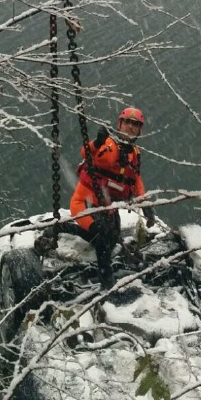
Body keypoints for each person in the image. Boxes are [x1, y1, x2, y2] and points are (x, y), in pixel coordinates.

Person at [35, 107, 154, 288]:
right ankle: (108, 284)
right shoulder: (110, 145)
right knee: (104, 239)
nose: (131, 127)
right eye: (128, 123)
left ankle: (60, 227)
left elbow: (135, 179)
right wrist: (98, 142)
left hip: (107, 208)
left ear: (140, 130)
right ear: (119, 124)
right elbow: (87, 153)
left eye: (135, 124)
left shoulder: (134, 153)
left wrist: (146, 205)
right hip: (85, 204)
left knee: (109, 237)